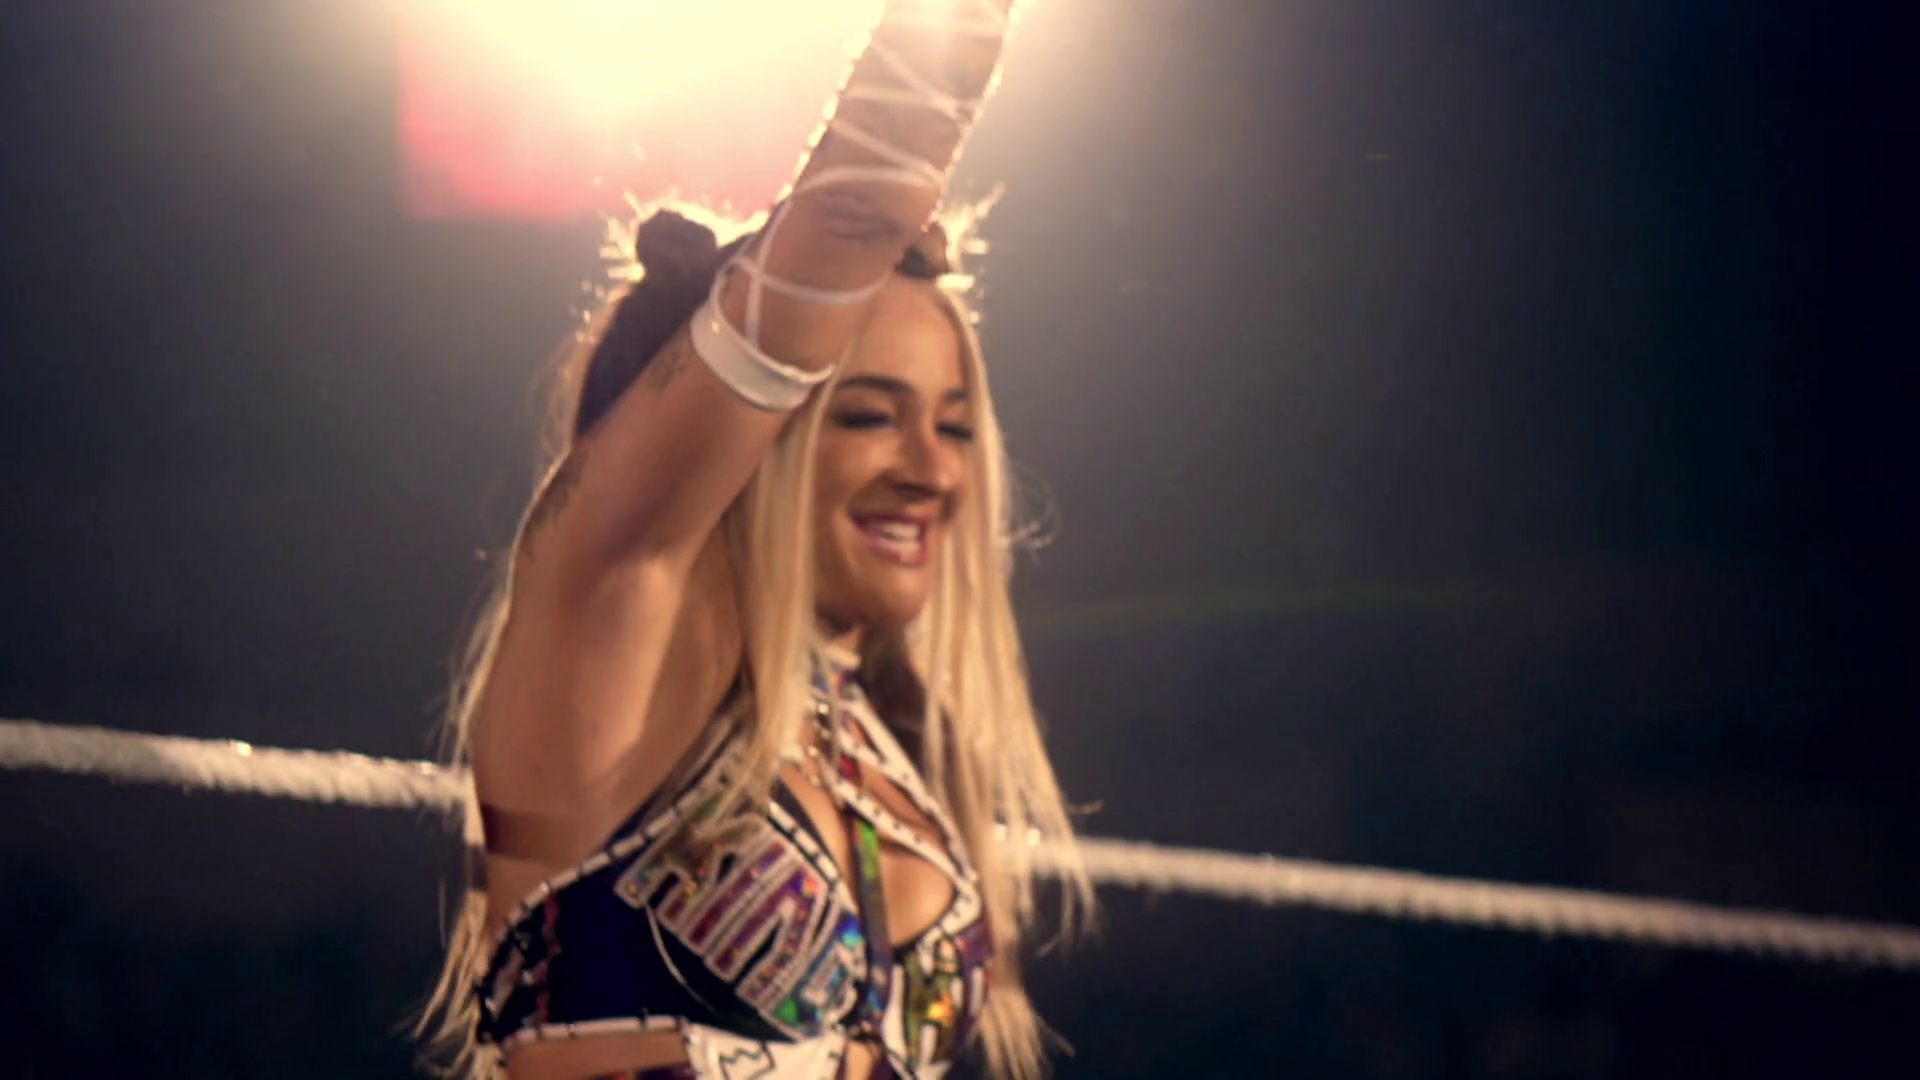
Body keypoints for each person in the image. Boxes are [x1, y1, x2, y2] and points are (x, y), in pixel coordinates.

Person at [418, 2, 1091, 1078]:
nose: (932, 469)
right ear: (753, 437)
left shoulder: (893, 743)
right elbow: (858, 209)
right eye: (868, 415)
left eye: (956, 427)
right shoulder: (619, 605)